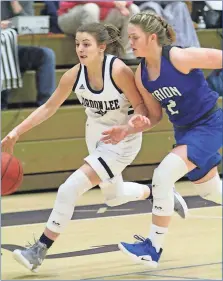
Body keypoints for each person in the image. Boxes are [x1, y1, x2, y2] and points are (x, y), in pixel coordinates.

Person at [1, 22, 187, 272]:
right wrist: (15, 132)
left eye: (86, 44)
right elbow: (48, 107)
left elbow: (140, 107)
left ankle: (39, 250)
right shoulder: (74, 74)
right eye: (77, 44)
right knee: (114, 197)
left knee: (68, 189)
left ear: (102, 47)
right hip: (96, 137)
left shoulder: (118, 71)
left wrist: (136, 121)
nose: (80, 49)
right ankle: (160, 194)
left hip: (122, 141)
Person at [101, 11, 222, 267]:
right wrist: (128, 128)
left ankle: (152, 247)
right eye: (128, 37)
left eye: (134, 37)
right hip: (185, 131)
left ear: (152, 37)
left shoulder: (178, 56)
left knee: (163, 175)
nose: (130, 42)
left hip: (209, 125)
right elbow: (153, 116)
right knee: (211, 192)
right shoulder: (141, 75)